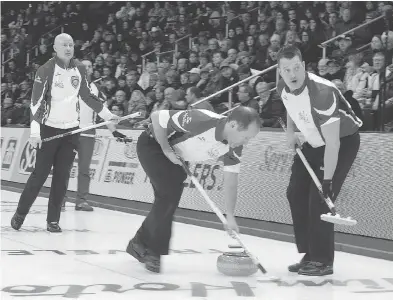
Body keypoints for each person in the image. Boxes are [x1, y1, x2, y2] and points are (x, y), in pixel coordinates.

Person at [127, 107, 261, 273]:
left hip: (178, 158)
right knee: (168, 195)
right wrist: (167, 150)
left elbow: (231, 180)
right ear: (233, 125)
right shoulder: (202, 120)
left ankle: (139, 243)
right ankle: (151, 250)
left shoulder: (234, 147)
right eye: (246, 137)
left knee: (169, 199)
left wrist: (230, 216)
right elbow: (157, 116)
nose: (246, 142)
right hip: (153, 144)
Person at [10, 33, 119, 233]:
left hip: (71, 131)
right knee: (39, 176)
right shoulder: (45, 70)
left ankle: (53, 220)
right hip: (48, 128)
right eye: (64, 45)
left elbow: (88, 96)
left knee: (62, 177)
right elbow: (36, 103)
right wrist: (35, 132)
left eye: (71, 44)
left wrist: (108, 115)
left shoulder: (80, 69)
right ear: (55, 48)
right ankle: (20, 213)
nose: (68, 48)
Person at [276, 45, 362, 276]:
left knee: (319, 200)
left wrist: (327, 180)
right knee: (295, 192)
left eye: (296, 68)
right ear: (280, 71)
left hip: (342, 142)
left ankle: (323, 261)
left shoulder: (322, 93)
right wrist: (290, 132)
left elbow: (333, 144)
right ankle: (310, 254)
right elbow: (290, 107)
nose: (292, 74)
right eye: (286, 70)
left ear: (303, 66)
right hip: (313, 140)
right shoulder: (283, 86)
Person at [62, 59, 130, 212]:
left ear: (93, 70)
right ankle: (61, 199)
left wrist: (114, 130)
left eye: (89, 66)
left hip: (88, 134)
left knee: (84, 169)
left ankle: (81, 201)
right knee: (64, 168)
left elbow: (105, 113)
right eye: (83, 66)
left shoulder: (96, 89)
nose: (86, 68)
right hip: (70, 133)